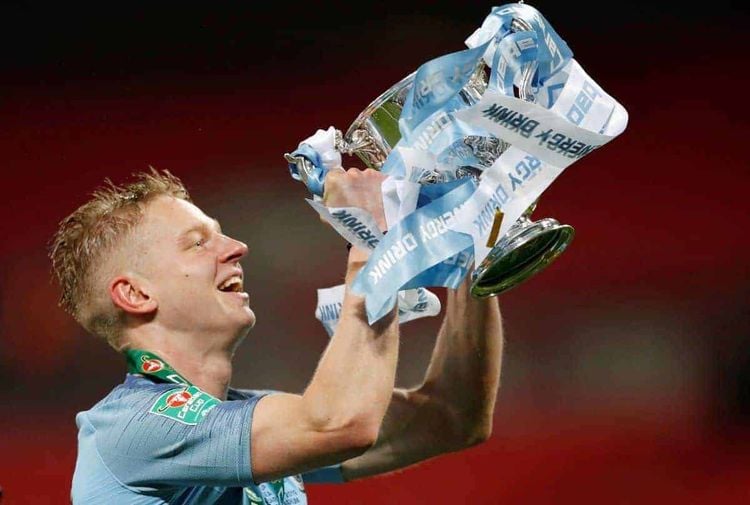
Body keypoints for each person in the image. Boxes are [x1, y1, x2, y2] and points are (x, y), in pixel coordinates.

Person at [50, 167, 503, 504]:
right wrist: (368, 240)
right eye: (197, 242)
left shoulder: (244, 420)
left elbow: (451, 417)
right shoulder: (129, 429)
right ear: (135, 293)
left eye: (221, 235)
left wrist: (470, 249)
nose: (237, 247)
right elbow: (338, 423)